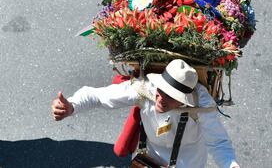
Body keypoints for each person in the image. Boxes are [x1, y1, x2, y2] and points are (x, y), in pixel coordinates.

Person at [51, 59, 240, 168]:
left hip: (188, 162)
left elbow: (218, 142)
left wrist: (231, 165)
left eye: (170, 96)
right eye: (161, 90)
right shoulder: (145, 89)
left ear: (185, 100)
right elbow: (97, 96)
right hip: (147, 158)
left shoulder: (201, 105)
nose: (160, 99)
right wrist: (72, 106)